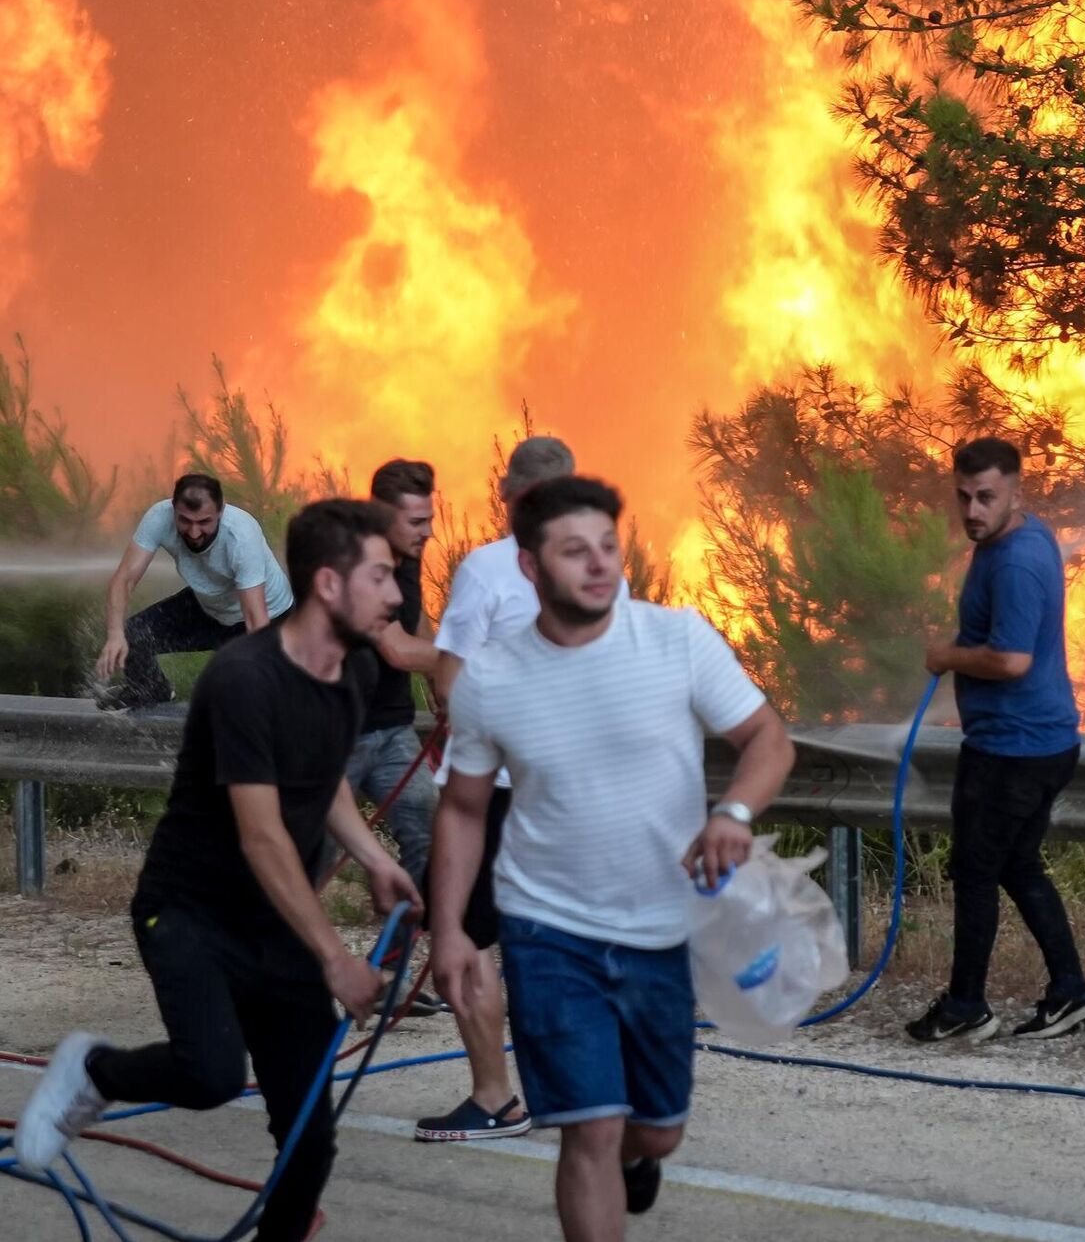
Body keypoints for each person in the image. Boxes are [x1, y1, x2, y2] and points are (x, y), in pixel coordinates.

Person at [15, 500, 423, 1242]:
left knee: (309, 1139)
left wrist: (373, 858)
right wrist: (336, 958)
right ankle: (94, 1071)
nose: (396, 595)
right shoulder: (244, 678)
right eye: (379, 577)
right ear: (329, 584)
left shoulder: (354, 669)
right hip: (190, 911)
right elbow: (262, 836)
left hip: (277, 923)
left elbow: (324, 775)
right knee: (210, 1074)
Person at [432, 474, 793, 1240]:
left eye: (607, 545)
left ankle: (640, 1153)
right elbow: (462, 808)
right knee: (588, 1127)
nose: (599, 563)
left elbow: (768, 737)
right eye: (575, 550)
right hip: (546, 928)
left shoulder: (677, 638)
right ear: (530, 565)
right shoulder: (490, 677)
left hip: (662, 929)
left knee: (655, 1130)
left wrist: (732, 811)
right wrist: (450, 928)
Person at [414, 435, 630, 1143]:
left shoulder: (486, 568)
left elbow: (450, 677)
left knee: (465, 938)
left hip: (497, 792)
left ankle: (496, 1098)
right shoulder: (603, 569)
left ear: (514, 497)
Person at [908, 437, 1085, 1045]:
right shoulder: (1020, 537)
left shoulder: (1016, 563)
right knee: (1017, 866)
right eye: (964, 496)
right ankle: (1072, 991)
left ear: (1016, 492)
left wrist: (948, 656)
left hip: (1012, 749)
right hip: (1042, 741)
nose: (973, 510)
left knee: (975, 872)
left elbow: (1012, 660)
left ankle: (967, 1005)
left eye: (986, 497)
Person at [328, 459, 444, 1013]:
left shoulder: (407, 557)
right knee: (308, 857)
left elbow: (415, 623)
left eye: (430, 518)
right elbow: (396, 649)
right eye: (417, 522)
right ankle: (265, 972)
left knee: (432, 838)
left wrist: (441, 686)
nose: (430, 532)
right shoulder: (361, 566)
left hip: (393, 730)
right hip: (339, 735)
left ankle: (388, 973)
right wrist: (479, 660)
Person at [95, 473, 295, 709]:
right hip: (210, 606)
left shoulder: (241, 535)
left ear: (221, 510)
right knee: (134, 635)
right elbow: (124, 580)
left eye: (204, 522)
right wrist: (115, 634)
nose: (194, 533)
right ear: (173, 508)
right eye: (185, 521)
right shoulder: (159, 518)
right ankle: (151, 690)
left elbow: (255, 618)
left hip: (266, 617)